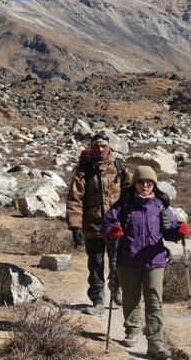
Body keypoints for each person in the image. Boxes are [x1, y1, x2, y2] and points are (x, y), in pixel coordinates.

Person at [102, 165, 190, 359]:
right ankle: (131, 329)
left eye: (149, 182)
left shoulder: (160, 206)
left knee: (154, 301)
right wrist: (111, 233)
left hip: (154, 261)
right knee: (130, 299)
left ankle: (155, 342)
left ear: (154, 185)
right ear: (135, 184)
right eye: (141, 182)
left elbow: (170, 230)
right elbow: (107, 225)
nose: (145, 185)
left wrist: (179, 231)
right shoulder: (123, 206)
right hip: (128, 261)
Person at [66, 133, 133, 316]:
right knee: (95, 263)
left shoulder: (119, 167)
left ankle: (116, 286)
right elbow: (75, 198)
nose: (100, 149)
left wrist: (131, 220)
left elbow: (130, 195)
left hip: (115, 226)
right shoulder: (84, 170)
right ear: (91, 147)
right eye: (96, 146)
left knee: (118, 260)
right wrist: (75, 226)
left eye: (103, 146)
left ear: (109, 147)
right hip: (92, 226)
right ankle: (97, 300)